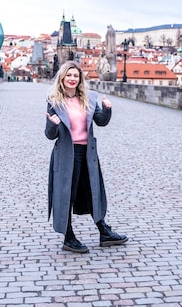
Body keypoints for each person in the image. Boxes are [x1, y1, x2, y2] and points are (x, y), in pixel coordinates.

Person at [45, 61, 128, 253]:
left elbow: (101, 121)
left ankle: (104, 231)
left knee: (93, 191)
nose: (72, 79)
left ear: (80, 79)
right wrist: (53, 124)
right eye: (69, 75)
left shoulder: (89, 98)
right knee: (68, 195)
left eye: (76, 76)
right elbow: (50, 135)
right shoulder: (54, 101)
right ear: (62, 78)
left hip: (87, 154)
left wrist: (107, 109)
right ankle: (68, 236)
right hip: (67, 155)